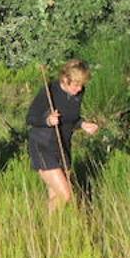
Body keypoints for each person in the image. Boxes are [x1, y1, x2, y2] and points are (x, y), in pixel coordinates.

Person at [26, 59, 100, 211]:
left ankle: (51, 231)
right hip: (43, 144)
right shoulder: (50, 91)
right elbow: (30, 118)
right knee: (66, 195)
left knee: (55, 196)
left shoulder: (79, 93)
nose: (79, 89)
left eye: (82, 85)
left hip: (63, 146)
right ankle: (43, 227)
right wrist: (47, 120)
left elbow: (70, 119)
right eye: (76, 84)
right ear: (65, 79)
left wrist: (83, 124)